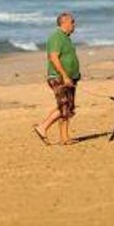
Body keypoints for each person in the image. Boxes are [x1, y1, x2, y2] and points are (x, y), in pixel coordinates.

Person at [33, 11, 81, 145]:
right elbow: (53, 57)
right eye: (72, 22)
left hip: (69, 78)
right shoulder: (56, 36)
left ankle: (65, 138)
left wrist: (74, 75)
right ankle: (42, 127)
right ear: (64, 22)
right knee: (64, 105)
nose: (74, 24)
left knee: (68, 108)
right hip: (59, 77)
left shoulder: (66, 37)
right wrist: (65, 76)